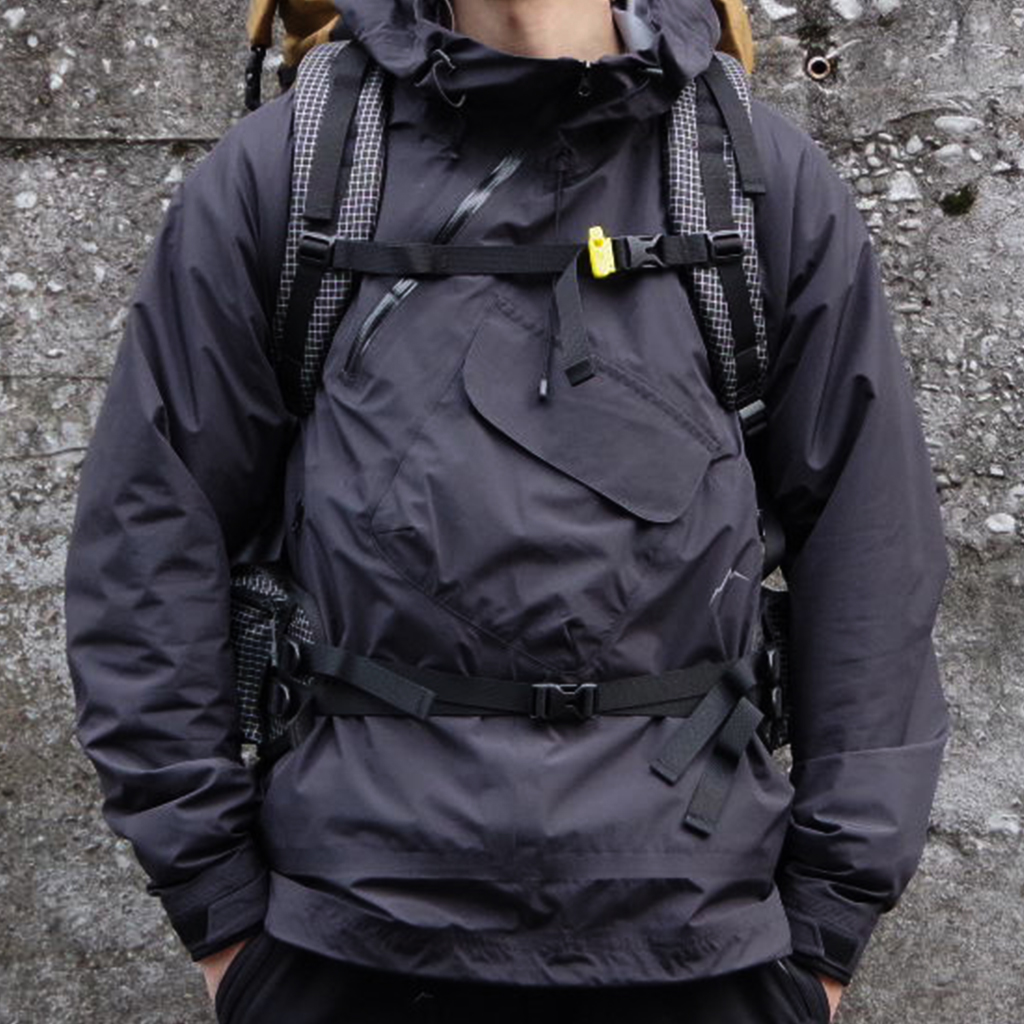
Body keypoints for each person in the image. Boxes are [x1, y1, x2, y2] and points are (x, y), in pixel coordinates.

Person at [65, 1, 949, 1022]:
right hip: (349, 939)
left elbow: (873, 555)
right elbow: (148, 546)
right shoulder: (294, 174)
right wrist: (220, 912)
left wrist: (827, 929)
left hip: (699, 943)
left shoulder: (756, 186)